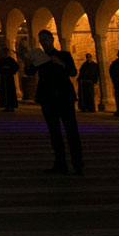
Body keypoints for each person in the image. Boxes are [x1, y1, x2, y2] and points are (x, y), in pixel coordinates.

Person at [25, 30, 83, 175]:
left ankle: (78, 164)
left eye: (46, 39)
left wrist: (61, 63)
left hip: (64, 97)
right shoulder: (40, 57)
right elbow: (30, 72)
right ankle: (60, 164)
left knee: (72, 131)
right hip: (48, 98)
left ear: (52, 39)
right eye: (42, 40)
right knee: (54, 132)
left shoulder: (64, 55)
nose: (44, 42)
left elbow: (73, 72)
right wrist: (28, 63)